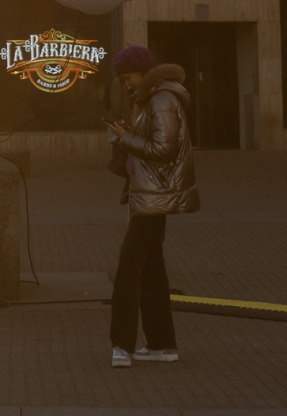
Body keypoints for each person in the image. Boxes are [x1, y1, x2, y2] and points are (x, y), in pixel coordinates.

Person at [106, 46, 198, 368]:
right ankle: (162, 344)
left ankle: (122, 345)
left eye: (129, 78)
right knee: (152, 270)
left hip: (154, 196)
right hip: (150, 194)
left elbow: (164, 149)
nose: (127, 84)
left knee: (128, 268)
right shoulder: (151, 100)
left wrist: (125, 137)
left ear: (143, 74)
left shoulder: (162, 100)